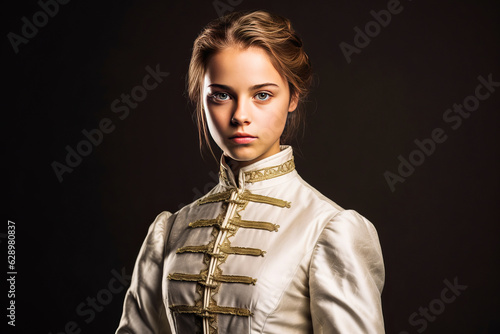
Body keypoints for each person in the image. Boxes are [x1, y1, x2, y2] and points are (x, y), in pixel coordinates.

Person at [116, 9, 385, 334]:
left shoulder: (329, 231)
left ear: (293, 97)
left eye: (262, 95)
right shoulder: (171, 231)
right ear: (201, 100)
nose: (240, 115)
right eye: (221, 95)